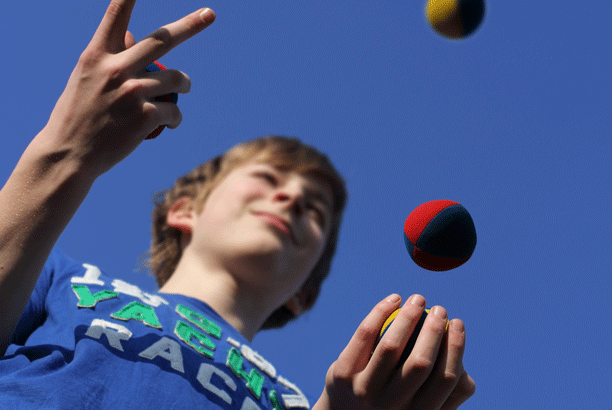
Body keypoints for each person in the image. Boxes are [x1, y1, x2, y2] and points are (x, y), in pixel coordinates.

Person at [0, 0, 475, 409]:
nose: (290, 198)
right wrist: (66, 151)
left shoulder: (293, 401)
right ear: (183, 209)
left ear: (303, 293)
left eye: (315, 212)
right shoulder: (62, 281)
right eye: (267, 179)